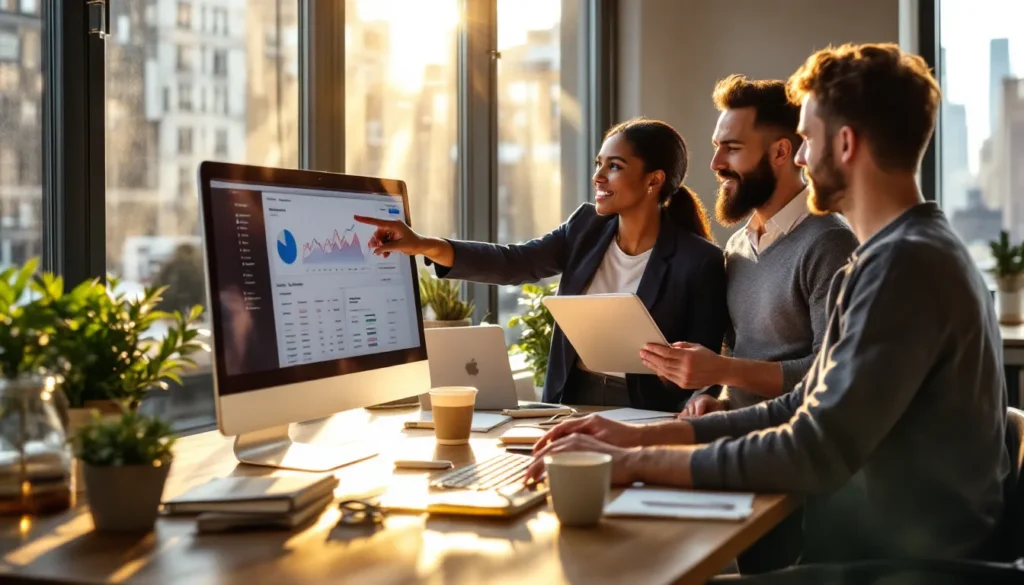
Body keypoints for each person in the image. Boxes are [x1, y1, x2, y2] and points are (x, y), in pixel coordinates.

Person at [526, 43, 1009, 566]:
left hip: (902, 566)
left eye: (807, 139)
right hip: (872, 550)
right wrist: (639, 437)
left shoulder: (903, 265)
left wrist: (631, 462)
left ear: (846, 143)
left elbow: (814, 447)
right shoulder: (898, 252)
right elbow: (799, 404)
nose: (798, 158)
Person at [358, 118, 728, 411]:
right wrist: (423, 244)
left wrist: (695, 398)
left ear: (654, 180)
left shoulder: (700, 261)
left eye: (614, 166)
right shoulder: (585, 227)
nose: (598, 176)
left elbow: (707, 367)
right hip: (570, 400)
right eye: (599, 164)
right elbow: (514, 263)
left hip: (649, 410)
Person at [640, 75, 858, 417]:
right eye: (717, 147)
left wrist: (721, 371)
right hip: (742, 434)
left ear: (781, 152)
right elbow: (739, 354)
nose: (716, 163)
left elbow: (832, 371)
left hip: (793, 444)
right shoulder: (738, 246)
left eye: (732, 148)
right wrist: (720, 401)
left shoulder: (830, 242)